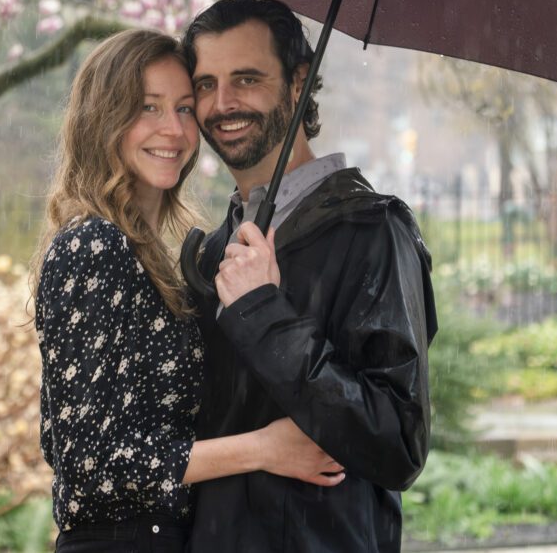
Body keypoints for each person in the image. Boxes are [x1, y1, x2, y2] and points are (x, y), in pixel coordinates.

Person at [31, 28, 345, 553]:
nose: (173, 130)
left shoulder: (160, 256)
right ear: (103, 119)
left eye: (182, 108)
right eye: (147, 109)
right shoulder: (93, 245)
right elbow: (90, 463)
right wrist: (263, 449)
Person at [181, 0, 438, 552]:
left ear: (299, 85)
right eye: (206, 84)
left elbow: (397, 441)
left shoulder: (372, 232)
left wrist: (266, 315)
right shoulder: (217, 249)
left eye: (246, 79)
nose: (223, 103)